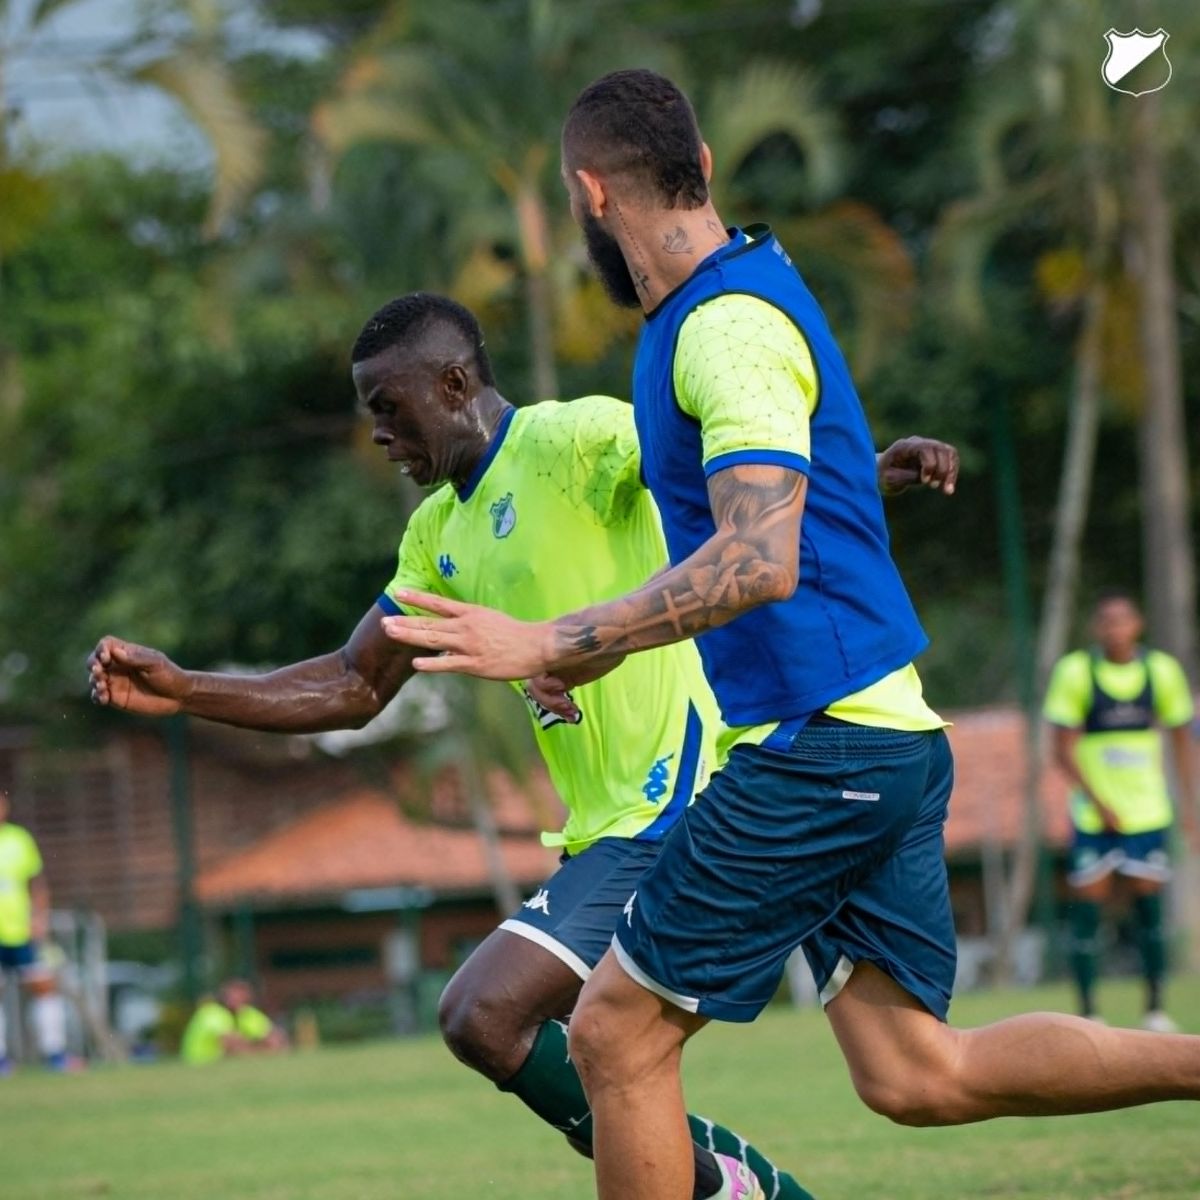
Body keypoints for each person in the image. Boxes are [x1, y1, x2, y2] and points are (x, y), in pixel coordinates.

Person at [377, 70, 1200, 1200]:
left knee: (614, 1035)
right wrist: (599, 652)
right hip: (882, 738)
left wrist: (556, 639)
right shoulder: (714, 313)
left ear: (589, 197)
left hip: (827, 748)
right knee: (918, 1074)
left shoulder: (723, 326)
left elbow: (757, 559)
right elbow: (761, 529)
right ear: (704, 166)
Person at [89, 293, 957, 1200]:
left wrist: (867, 471)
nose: (379, 435)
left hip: (680, 799)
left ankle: (731, 1184)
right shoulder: (437, 534)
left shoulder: (571, 442)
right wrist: (188, 688)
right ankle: (731, 1184)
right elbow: (355, 684)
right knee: (567, 1044)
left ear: (455, 382)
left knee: (484, 1012)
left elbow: (727, 468)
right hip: (606, 827)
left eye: (389, 408)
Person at [1044, 590, 1197, 1031]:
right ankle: (1089, 1010)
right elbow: (1061, 748)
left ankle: (1155, 1007)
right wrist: (1097, 801)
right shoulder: (1076, 672)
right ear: (1096, 628)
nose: (1115, 629)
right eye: (1106, 621)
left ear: (1138, 625)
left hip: (1148, 813)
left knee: (1149, 908)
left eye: (1123, 620)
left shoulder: (1161, 671)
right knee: (1087, 910)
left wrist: (1190, 807)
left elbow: (1183, 739)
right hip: (1095, 817)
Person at [0, 787, 69, 1073]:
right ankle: (2, 1061)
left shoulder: (19, 839)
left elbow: (36, 882)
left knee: (44, 987)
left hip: (22, 931)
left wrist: (39, 917)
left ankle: (54, 1054)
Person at [180, 978, 288, 1065]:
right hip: (201, 1065)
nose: (239, 998)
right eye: (234, 995)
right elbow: (233, 1047)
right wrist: (264, 1052)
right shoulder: (211, 1012)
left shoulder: (247, 1013)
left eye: (242, 995)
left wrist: (269, 1046)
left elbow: (276, 1039)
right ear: (224, 996)